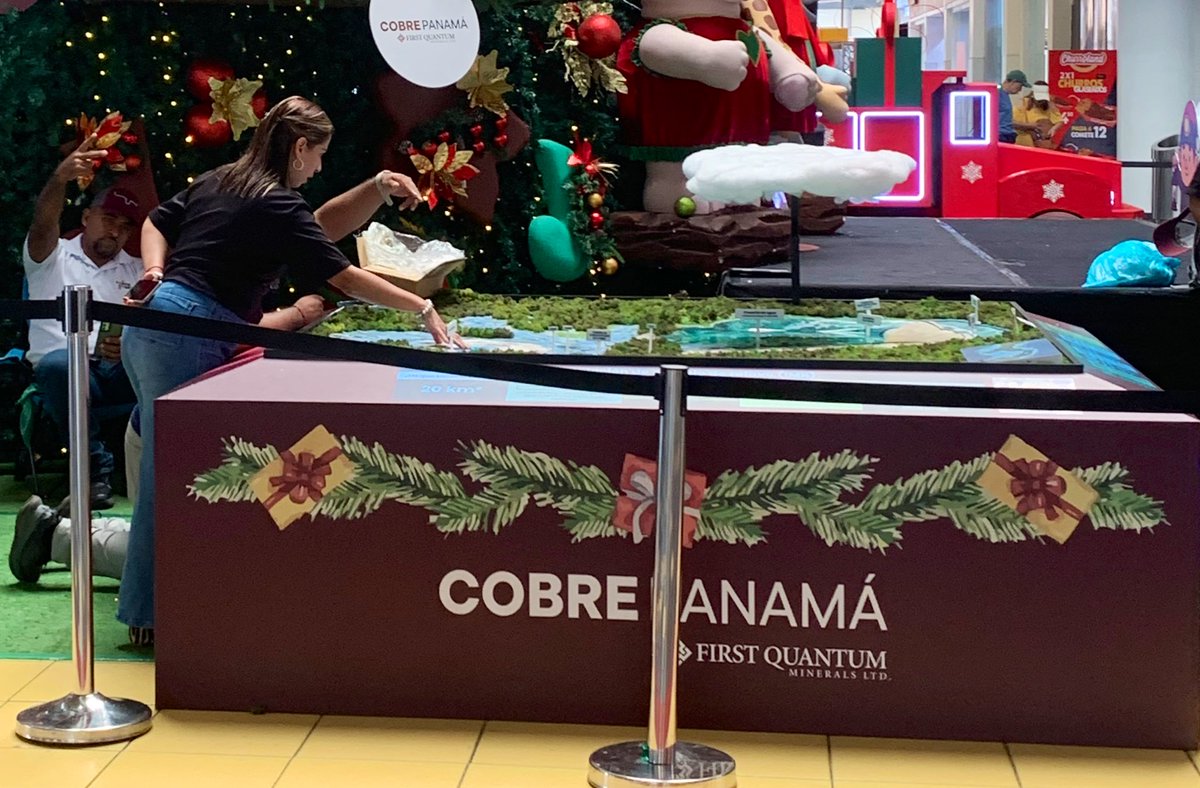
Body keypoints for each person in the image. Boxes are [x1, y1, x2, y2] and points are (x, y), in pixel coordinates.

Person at [117, 95, 465, 644]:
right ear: (299, 147)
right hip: (189, 335)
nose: (320, 167)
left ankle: (174, 590)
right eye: (319, 155)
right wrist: (421, 306)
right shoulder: (274, 205)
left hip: (155, 329)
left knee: (179, 467)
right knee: (171, 476)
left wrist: (156, 272)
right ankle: (148, 616)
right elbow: (345, 277)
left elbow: (161, 222)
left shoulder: (226, 181)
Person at [8, 296, 327, 626]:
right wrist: (296, 314)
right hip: (189, 435)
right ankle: (55, 537)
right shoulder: (207, 304)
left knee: (217, 545)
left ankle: (63, 531)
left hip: (208, 431)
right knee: (204, 557)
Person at [24, 135, 144, 510]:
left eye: (125, 226)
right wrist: (59, 181)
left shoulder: (139, 269)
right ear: (86, 217)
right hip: (67, 369)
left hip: (120, 369)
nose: (116, 231)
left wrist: (131, 347)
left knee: (165, 359)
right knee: (61, 364)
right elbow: (44, 222)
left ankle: (165, 467)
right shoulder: (52, 255)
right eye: (108, 219)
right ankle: (94, 469)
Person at [1014, 81, 1063, 148]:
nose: (1041, 101)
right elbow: (1014, 124)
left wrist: (1054, 128)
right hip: (1024, 145)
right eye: (1039, 99)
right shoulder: (1022, 105)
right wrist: (1031, 127)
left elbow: (1059, 120)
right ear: (1033, 95)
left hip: (1042, 146)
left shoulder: (1049, 105)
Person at [998, 69, 1030, 144]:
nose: (1020, 89)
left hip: (1008, 135)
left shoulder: (1006, 96)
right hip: (1001, 135)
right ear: (1013, 82)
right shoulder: (997, 93)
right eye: (1020, 86)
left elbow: (1007, 119)